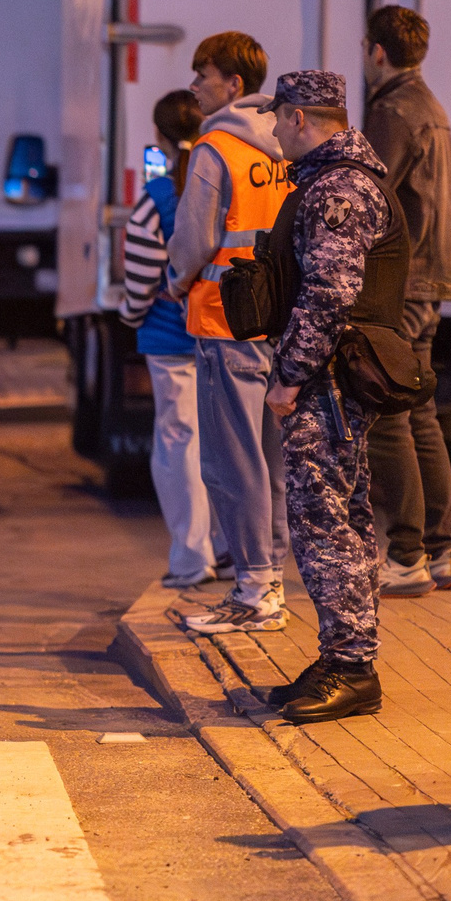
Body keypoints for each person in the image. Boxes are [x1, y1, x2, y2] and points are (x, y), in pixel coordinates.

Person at [254, 71, 403, 724]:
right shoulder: (337, 179)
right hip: (336, 375)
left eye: (278, 118)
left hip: (329, 379)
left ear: (298, 117)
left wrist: (289, 374)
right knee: (347, 518)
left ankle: (351, 667)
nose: (273, 131)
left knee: (323, 524)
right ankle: (342, 654)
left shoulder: (338, 189)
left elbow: (328, 294)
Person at [171, 33, 296, 637]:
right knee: (269, 462)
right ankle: (268, 581)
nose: (195, 84)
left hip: (225, 320)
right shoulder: (287, 146)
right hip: (278, 325)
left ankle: (253, 589)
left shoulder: (214, 148)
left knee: (229, 462)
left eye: (204, 74)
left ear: (234, 87)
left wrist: (175, 281)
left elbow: (194, 240)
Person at [358, 7, 451, 598]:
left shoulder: (393, 111)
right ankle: (441, 551)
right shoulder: (432, 107)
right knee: (420, 413)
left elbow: (371, 195)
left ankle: (404, 555)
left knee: (387, 413)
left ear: (377, 52)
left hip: (404, 283)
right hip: (435, 277)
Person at [120, 90, 216, 590]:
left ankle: (190, 558)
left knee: (179, 446)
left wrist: (130, 314)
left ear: (158, 136)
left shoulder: (154, 201)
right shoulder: (214, 187)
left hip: (167, 338)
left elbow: (139, 280)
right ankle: (228, 547)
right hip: (219, 336)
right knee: (223, 445)